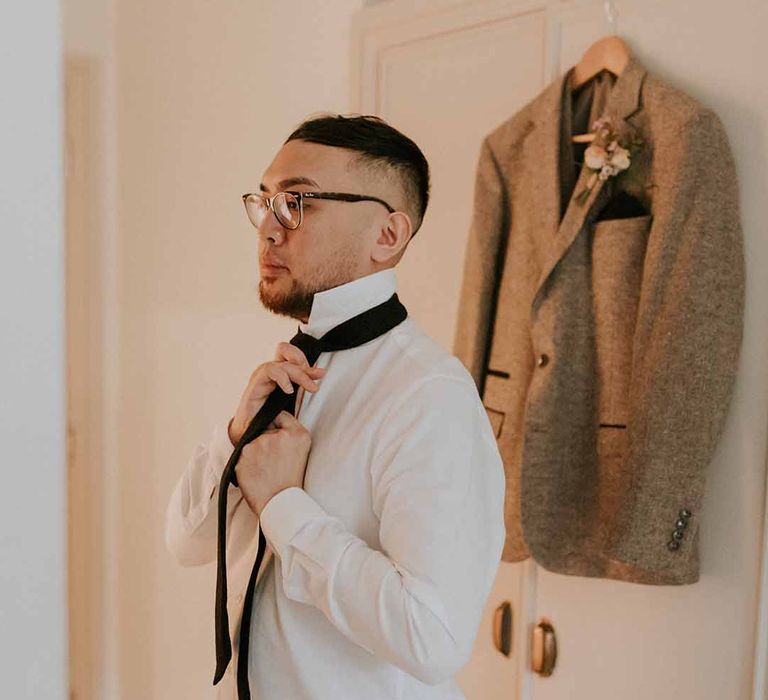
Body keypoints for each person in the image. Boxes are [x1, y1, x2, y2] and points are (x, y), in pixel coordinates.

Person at [165, 113, 506, 699]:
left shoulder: (429, 395)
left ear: (387, 236)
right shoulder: (288, 373)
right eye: (266, 200)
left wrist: (282, 503)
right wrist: (236, 433)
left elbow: (433, 638)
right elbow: (187, 544)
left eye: (298, 202)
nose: (269, 228)